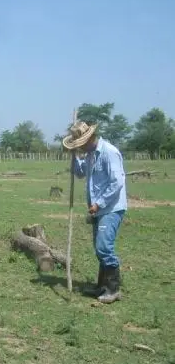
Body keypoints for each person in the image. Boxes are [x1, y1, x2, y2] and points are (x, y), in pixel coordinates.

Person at [62, 121, 127, 304]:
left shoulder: (109, 152)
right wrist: (74, 157)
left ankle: (113, 289)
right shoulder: (90, 155)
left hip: (111, 208)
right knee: (100, 249)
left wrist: (99, 204)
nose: (79, 146)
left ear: (89, 138)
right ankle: (102, 286)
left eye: (80, 143)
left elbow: (117, 182)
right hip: (97, 210)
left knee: (104, 247)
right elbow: (81, 173)